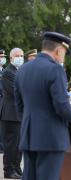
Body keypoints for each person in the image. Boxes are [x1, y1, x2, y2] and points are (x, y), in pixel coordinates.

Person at [14, 32, 71, 180]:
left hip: (29, 135)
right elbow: (61, 106)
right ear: (58, 50)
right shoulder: (55, 69)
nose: (63, 56)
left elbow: (19, 106)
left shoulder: (23, 69)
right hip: (51, 138)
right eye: (64, 53)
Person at [0, 48, 24, 179]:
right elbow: (17, 91)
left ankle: (16, 168)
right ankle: (8, 170)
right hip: (11, 114)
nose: (20, 57)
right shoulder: (8, 73)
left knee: (19, 144)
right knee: (11, 145)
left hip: (19, 114)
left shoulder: (19, 71)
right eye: (17, 56)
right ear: (11, 58)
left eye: (21, 55)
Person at [0, 49, 7, 153]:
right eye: (1, 57)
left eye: (3, 57)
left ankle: (2, 146)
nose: (2, 59)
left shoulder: (3, 70)